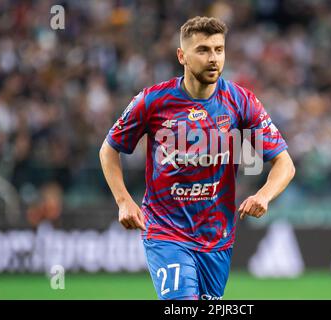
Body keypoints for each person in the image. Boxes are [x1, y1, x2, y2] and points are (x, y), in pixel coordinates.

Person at [99, 16, 295, 300]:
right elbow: (109, 149)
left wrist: (264, 195)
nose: (213, 58)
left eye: (219, 49)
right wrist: (123, 200)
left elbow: (285, 163)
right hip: (166, 231)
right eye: (203, 50)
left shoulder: (241, 102)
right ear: (182, 56)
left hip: (217, 238)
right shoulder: (152, 101)